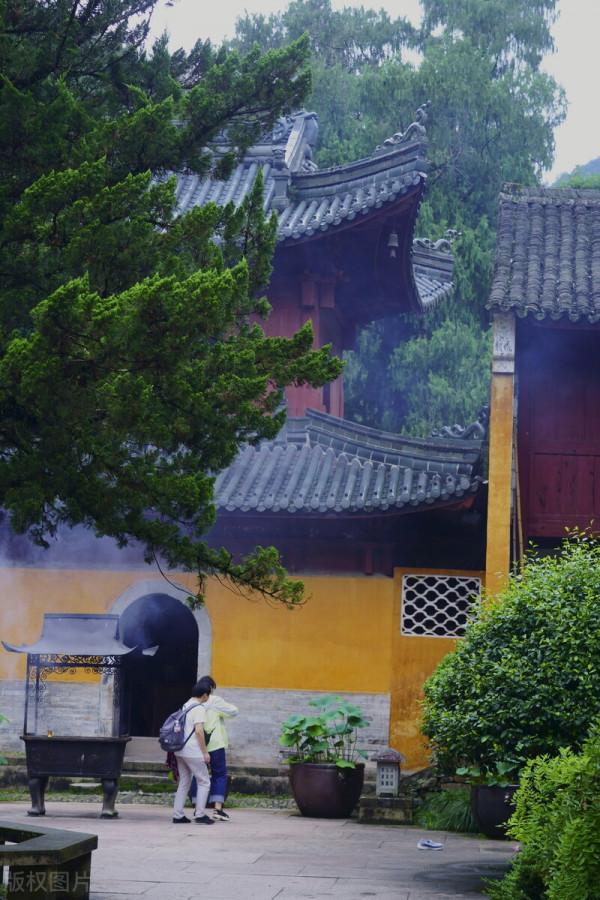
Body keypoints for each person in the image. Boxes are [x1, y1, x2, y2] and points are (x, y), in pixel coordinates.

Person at [172, 677, 215, 825]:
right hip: (192, 751)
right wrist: (205, 752)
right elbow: (199, 731)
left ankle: (178, 815)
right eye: (209, 694)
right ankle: (200, 814)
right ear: (204, 695)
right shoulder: (199, 708)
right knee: (204, 781)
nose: (209, 697)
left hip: (180, 750)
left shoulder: (186, 705)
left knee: (184, 781)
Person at [203, 676, 238, 821]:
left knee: (199, 776)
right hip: (215, 744)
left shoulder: (192, 702)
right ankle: (217, 809)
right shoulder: (214, 701)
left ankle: (198, 809)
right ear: (210, 689)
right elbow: (234, 711)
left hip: (199, 745)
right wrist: (220, 712)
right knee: (219, 775)